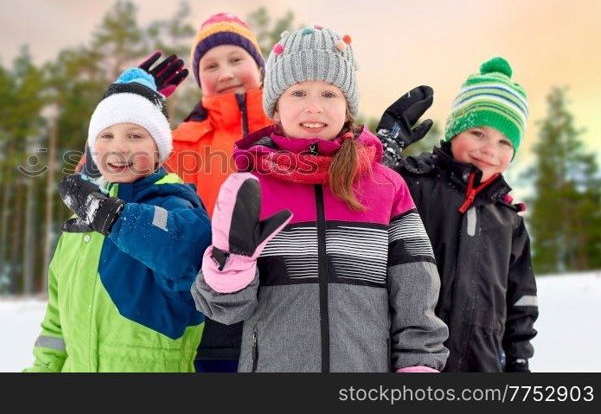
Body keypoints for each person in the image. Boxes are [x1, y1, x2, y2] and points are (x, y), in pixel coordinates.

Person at [191, 26, 449, 372]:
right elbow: (224, 309)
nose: (314, 107)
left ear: (347, 109)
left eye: (329, 94)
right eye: (298, 93)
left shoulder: (387, 187)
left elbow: (417, 288)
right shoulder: (250, 188)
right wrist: (231, 267)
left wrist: (418, 365)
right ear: (276, 109)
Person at [24, 68, 211, 372]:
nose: (119, 146)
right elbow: (56, 322)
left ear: (158, 148)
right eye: (106, 135)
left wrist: (109, 215)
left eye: (135, 136)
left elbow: (185, 253)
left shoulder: (175, 203)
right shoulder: (79, 224)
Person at [376, 57, 538, 372]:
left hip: (482, 364)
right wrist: (384, 150)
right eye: (478, 133)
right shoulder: (414, 183)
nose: (490, 149)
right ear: (453, 131)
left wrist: (518, 361)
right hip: (410, 359)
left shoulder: (509, 221)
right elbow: (363, 198)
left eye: (505, 141)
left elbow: (521, 303)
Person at [163, 12, 273, 372]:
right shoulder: (181, 144)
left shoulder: (293, 128)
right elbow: (108, 175)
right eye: (210, 66)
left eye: (236, 59)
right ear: (199, 79)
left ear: (258, 65)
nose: (225, 73)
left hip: (289, 308)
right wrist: (132, 106)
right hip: (211, 316)